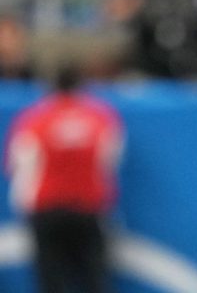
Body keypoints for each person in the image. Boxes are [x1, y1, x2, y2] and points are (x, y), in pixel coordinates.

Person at [3, 64, 124, 293]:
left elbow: (15, 164)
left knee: (51, 280)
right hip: (88, 207)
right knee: (94, 279)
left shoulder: (34, 120)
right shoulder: (101, 119)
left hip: (46, 208)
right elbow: (110, 161)